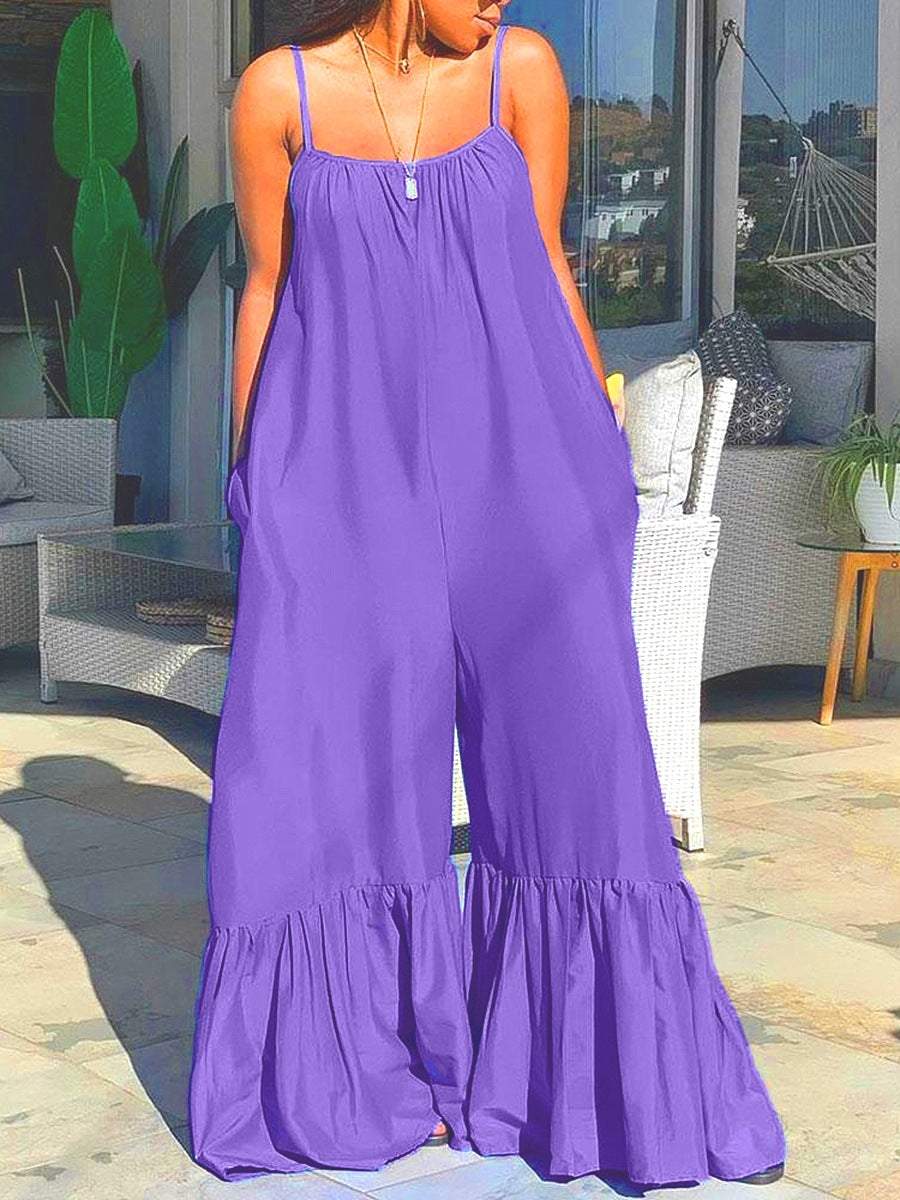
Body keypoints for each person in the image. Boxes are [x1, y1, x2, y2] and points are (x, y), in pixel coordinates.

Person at [188, 0, 787, 1186]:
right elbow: (263, 290)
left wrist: (599, 459)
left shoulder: (525, 71)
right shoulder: (278, 95)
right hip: (339, 484)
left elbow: (550, 265)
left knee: (583, 776)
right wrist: (253, 480)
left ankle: (596, 1088)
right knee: (308, 782)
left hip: (528, 475)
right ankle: (357, 1077)